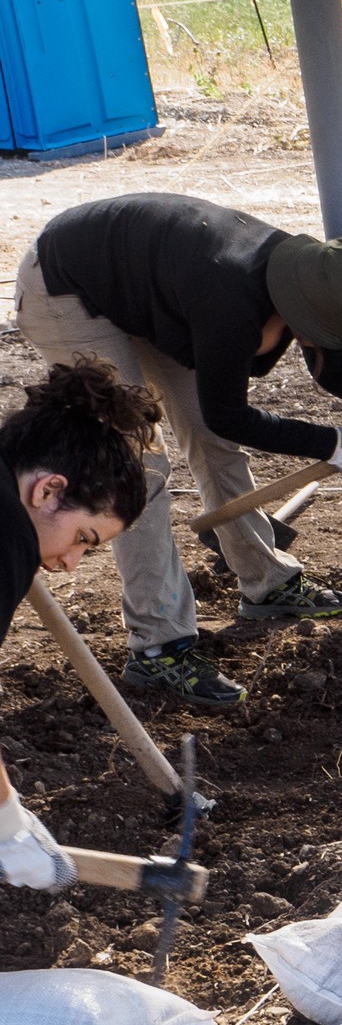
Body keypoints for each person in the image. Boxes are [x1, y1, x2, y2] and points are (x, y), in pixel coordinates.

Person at [14, 194, 342, 705]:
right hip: (67, 290)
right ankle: (158, 646)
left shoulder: (310, 276)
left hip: (147, 287)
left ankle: (265, 582)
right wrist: (331, 442)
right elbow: (229, 410)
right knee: (138, 468)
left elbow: (328, 366)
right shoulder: (229, 298)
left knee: (215, 443)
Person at [0, 364, 161, 891]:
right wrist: (8, 825)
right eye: (84, 539)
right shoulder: (8, 539)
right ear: (48, 491)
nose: (71, 563)